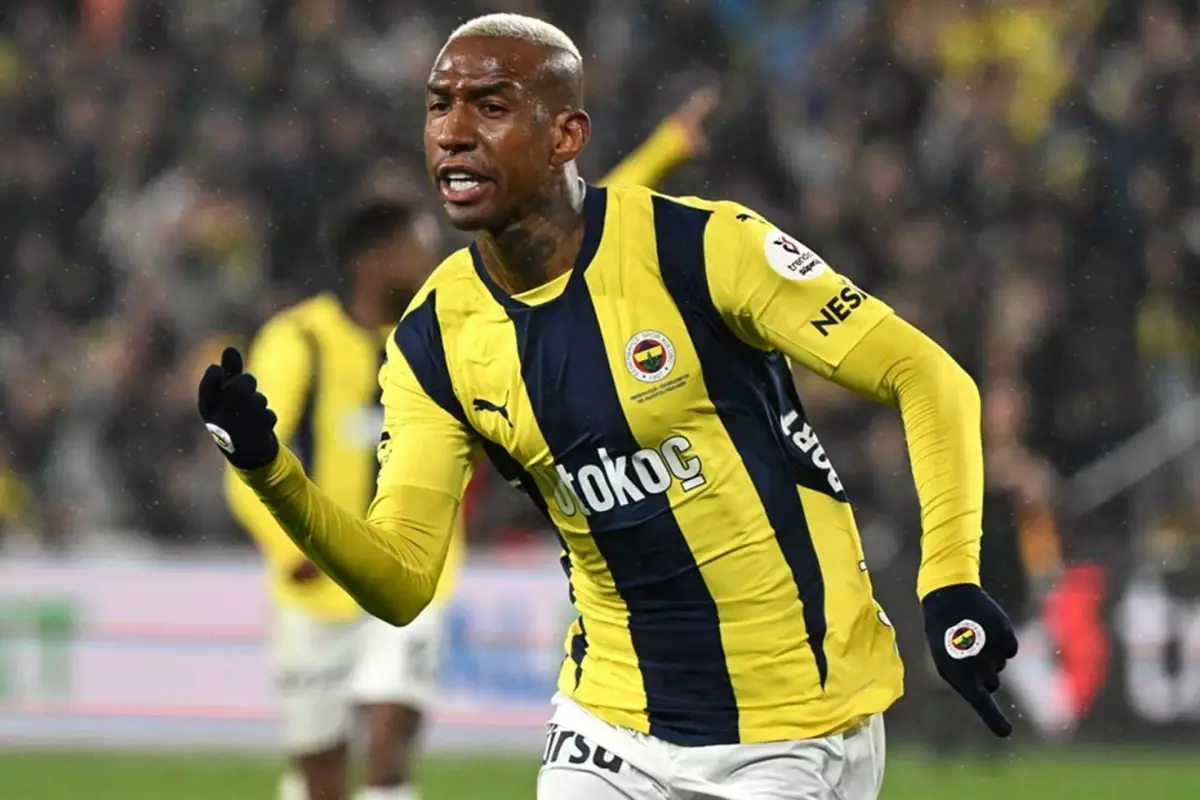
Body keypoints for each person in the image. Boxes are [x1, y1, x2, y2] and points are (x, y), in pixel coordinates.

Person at [199, 13, 1018, 800]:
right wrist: (271, 471)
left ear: (566, 136)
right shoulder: (434, 338)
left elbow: (927, 375)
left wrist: (949, 578)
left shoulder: (702, 248)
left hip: (795, 721)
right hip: (611, 722)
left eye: (490, 106)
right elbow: (404, 579)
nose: (453, 132)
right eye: (439, 105)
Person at [226, 90, 719, 800]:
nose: (431, 253)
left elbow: (576, 228)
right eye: (414, 244)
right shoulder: (298, 339)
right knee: (322, 778)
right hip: (311, 592)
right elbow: (245, 458)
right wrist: (289, 550)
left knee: (388, 744)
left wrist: (665, 148)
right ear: (374, 259)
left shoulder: (448, 324)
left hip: (412, 574)